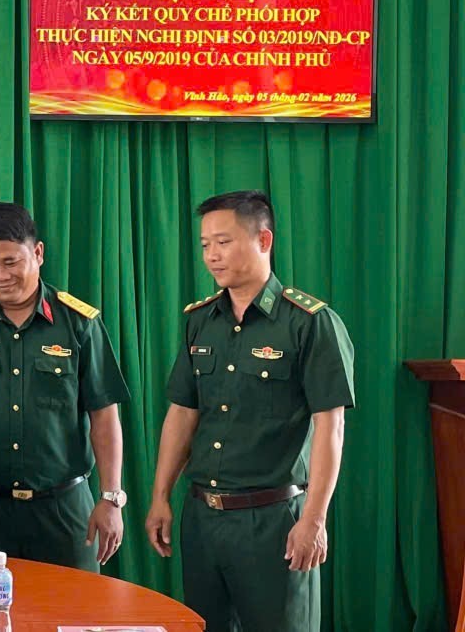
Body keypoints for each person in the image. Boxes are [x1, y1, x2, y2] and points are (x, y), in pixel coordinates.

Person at [145, 190, 355, 632]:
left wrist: (314, 519)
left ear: (263, 240)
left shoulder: (309, 322)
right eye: (205, 244)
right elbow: (182, 413)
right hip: (203, 518)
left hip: (272, 521)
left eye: (223, 242)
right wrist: (161, 495)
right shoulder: (199, 320)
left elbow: (330, 426)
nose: (212, 255)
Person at [0, 202, 130, 571]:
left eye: (10, 262)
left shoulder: (79, 323)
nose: (0, 276)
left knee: (74, 605)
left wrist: (111, 497)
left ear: (38, 253)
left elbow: (104, 416)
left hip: (62, 509)